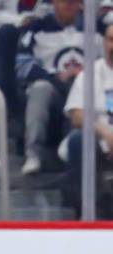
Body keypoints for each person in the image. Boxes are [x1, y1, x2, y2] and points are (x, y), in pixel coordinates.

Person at [16, 0, 102, 175]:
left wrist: (88, 73)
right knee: (40, 88)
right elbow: (21, 66)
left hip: (87, 91)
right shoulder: (36, 27)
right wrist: (53, 76)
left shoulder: (97, 27)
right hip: (53, 92)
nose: (69, 4)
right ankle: (33, 155)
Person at [62, 22, 113, 218]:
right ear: (104, 43)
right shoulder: (89, 74)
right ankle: (83, 214)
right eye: (110, 40)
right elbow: (76, 114)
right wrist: (106, 135)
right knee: (78, 140)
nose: (112, 45)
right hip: (98, 141)